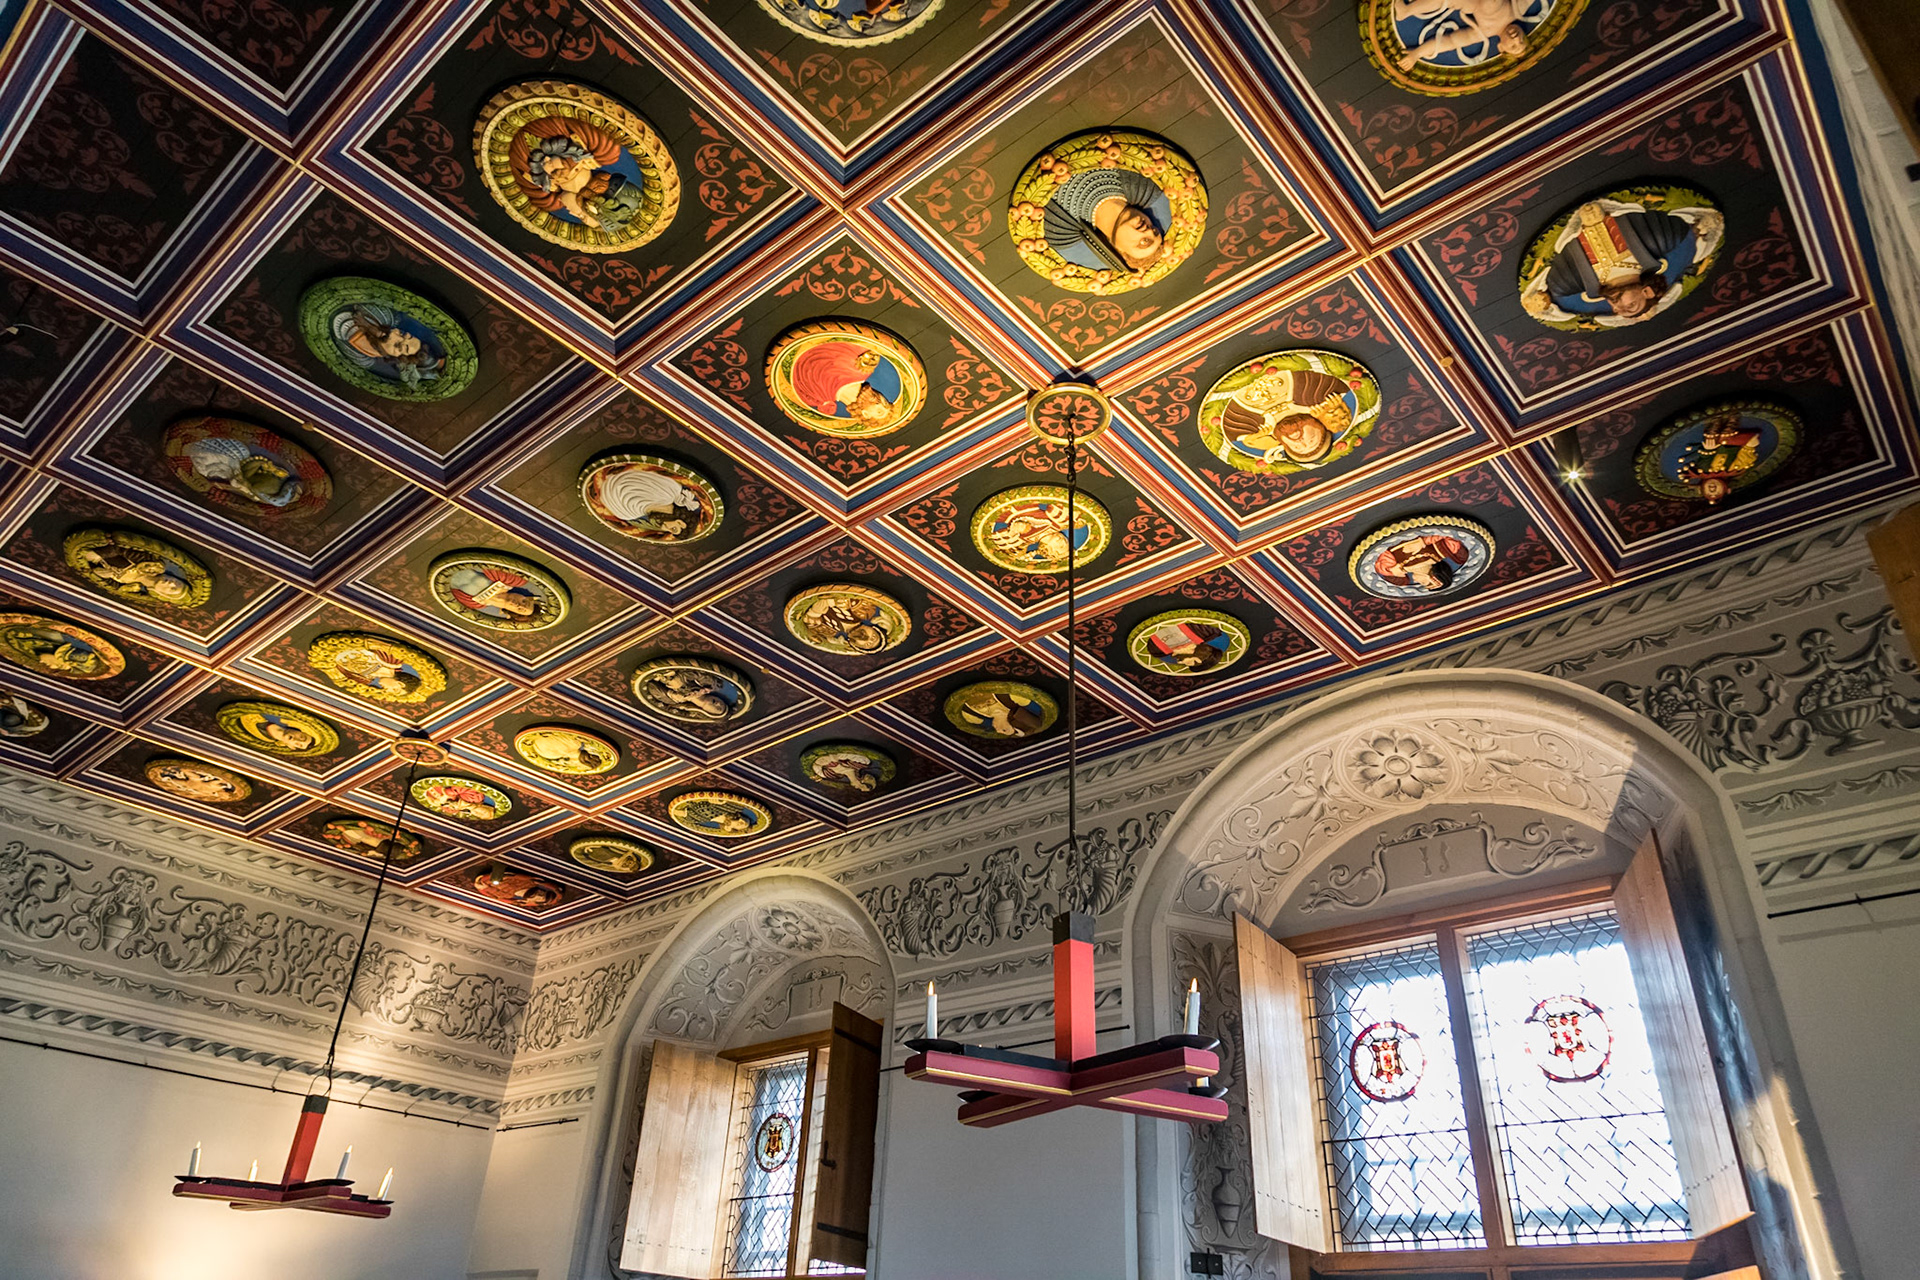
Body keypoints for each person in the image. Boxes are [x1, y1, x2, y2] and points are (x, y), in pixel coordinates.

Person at [1522, 196, 1723, 327]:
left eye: (1618, 311)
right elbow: (1682, 232)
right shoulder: (1660, 241)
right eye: (1631, 306)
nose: (1617, 308)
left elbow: (1553, 289)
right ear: (1647, 292)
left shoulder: (1570, 282)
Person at [1216, 365, 1365, 467]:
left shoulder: (1239, 425)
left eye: (1296, 447)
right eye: (1311, 440)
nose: (1300, 441)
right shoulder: (1323, 389)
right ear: (1320, 425)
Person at [514, 119, 643, 234]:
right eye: (582, 215)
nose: (572, 213)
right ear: (591, 203)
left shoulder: (541, 196)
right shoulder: (600, 148)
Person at [1043, 167, 1167, 274]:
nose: (1149, 231)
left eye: (1145, 242)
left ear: (1119, 251)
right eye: (1155, 232)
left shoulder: (1060, 229)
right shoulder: (1143, 182)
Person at [1391, 0, 1530, 70]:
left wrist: (1417, 54)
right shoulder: (1519, 10)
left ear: (1501, 48)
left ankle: (1407, 11)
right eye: (1522, 40)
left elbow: (1450, 41)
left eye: (1513, 46)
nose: (1516, 38)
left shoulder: (1484, 32)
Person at [788, 341, 899, 428]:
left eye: (879, 411)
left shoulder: (814, 398)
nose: (880, 403)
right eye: (885, 404)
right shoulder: (863, 363)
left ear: (865, 414)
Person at [333, 303, 444, 388]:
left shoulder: (362, 356)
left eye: (398, 345)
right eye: (402, 334)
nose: (393, 336)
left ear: (396, 358)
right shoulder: (386, 317)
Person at [184, 436, 303, 508]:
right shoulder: (250, 476)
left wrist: (261, 464)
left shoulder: (246, 481)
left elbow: (247, 472)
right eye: (278, 478)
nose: (278, 477)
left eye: (277, 479)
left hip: (222, 463)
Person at [1674, 413, 1762, 504]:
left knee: (1711, 436)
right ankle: (1732, 418)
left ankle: (1715, 420)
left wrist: (1708, 451)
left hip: (1714, 444)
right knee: (1727, 435)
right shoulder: (1733, 469)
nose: (1712, 489)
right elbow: (1745, 459)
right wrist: (1750, 447)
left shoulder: (1703, 469)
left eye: (1709, 491)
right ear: (1725, 488)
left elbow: (1705, 460)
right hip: (1732, 442)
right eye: (1717, 491)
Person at [593, 465, 702, 538]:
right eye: (673, 528)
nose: (666, 528)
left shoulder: (629, 512)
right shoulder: (669, 492)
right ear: (680, 522)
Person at [78, 539, 193, 604]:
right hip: (97, 548)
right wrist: (97, 554)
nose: (172, 583)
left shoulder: (130, 586)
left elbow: (104, 581)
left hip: (90, 558)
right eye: (177, 582)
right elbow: (122, 548)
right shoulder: (153, 565)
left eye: (173, 588)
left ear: (161, 593)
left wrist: (99, 572)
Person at [989, 500, 1079, 569]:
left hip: (1009, 509)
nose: (1063, 540)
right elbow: (1065, 506)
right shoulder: (1058, 524)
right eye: (1067, 542)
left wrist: (1017, 527)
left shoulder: (1026, 540)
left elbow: (1004, 538)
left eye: (1061, 546)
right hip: (1029, 502)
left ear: (1047, 550)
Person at [447, 565, 545, 623]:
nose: (519, 604)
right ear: (525, 596)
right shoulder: (507, 579)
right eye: (524, 601)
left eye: (520, 609)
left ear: (512, 612)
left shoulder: (476, 603)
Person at [1375, 534, 1468, 593]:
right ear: (1430, 576)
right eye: (1423, 582)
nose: (1417, 581)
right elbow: (1449, 534)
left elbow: (1379, 554)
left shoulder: (1394, 569)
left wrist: (1392, 570)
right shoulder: (1444, 552)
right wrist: (1424, 541)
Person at [639, 667, 736, 721]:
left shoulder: (677, 702)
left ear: (708, 712)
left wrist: (671, 694)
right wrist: (679, 681)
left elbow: (652, 687)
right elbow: (694, 672)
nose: (718, 703)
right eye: (721, 703)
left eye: (718, 708)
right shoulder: (709, 684)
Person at [329, 645, 423, 698]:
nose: (386, 690)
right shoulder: (390, 658)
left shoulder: (363, 679)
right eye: (395, 689)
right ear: (400, 683)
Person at [957, 688, 1047, 738]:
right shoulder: (1013, 697)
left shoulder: (970, 715)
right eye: (1005, 729)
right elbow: (1040, 709)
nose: (998, 730)